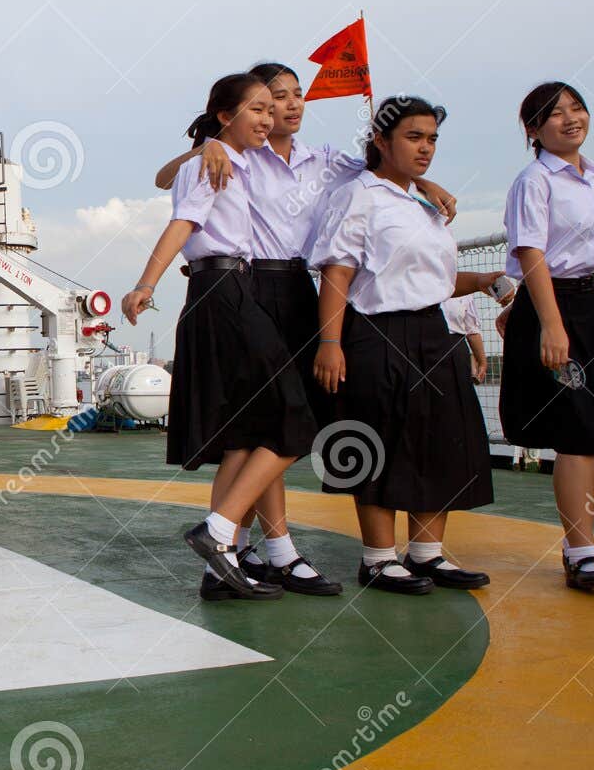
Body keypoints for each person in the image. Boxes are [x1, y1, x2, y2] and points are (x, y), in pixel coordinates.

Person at [155, 61, 458, 598]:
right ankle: (270, 549)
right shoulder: (240, 154)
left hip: (302, 290)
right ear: (253, 108)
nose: (288, 107)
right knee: (265, 425)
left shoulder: (327, 162)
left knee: (281, 424)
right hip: (252, 287)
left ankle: (256, 550)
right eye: (274, 98)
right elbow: (167, 181)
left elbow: (378, 169)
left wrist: (425, 179)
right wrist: (207, 144)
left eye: (296, 97)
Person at [121, 73, 318, 600]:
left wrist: (209, 139)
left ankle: (220, 569)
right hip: (221, 289)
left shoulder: (234, 156)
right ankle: (218, 532)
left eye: (268, 109)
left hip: (236, 287)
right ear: (227, 114)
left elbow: (169, 175)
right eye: (256, 109)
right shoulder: (215, 161)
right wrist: (145, 282)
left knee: (247, 435)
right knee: (293, 417)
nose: (268, 117)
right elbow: (183, 222)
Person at [310, 96, 511, 595]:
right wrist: (330, 342)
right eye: (414, 137)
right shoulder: (357, 195)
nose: (426, 148)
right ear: (381, 141)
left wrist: (484, 279)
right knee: (379, 441)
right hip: (375, 331)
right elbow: (338, 271)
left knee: (438, 439)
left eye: (432, 139)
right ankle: (377, 558)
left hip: (432, 331)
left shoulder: (426, 204)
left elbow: (434, 280)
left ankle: (426, 553)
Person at [498, 82, 594, 591]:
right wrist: (549, 322)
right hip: (558, 301)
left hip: (593, 302)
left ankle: (587, 542)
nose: (570, 119)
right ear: (533, 130)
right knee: (574, 427)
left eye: (576, 108)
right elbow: (531, 252)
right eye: (554, 114)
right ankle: (580, 552)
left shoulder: (590, 177)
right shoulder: (534, 180)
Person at [440, 295, 487, 382]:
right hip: (424, 345)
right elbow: (472, 331)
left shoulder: (465, 293)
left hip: (456, 350)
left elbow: (472, 332)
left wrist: (482, 363)